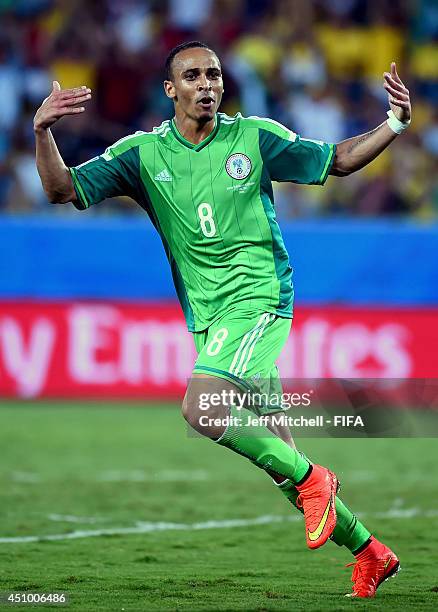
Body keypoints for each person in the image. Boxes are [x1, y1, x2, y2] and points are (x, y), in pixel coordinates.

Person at [34, 41, 411, 598]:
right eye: (193, 75)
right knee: (281, 454)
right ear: (172, 90)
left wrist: (395, 123)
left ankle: (316, 482)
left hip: (259, 300)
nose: (207, 83)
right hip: (209, 317)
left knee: (201, 408)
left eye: (213, 74)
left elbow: (339, 160)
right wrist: (42, 133)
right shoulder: (142, 154)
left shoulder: (254, 138)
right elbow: (61, 189)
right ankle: (369, 551)